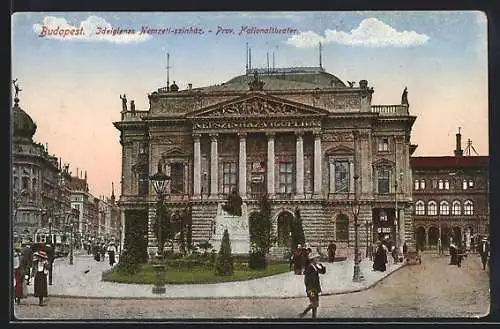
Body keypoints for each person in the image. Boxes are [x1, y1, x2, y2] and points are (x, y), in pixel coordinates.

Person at [299, 252, 326, 319]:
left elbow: (322, 272)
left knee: (316, 304)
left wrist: (322, 266)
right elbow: (307, 279)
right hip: (311, 289)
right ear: (313, 259)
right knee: (314, 303)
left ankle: (314, 317)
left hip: (316, 288)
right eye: (317, 258)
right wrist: (309, 288)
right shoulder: (309, 267)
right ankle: (303, 313)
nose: (318, 259)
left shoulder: (315, 266)